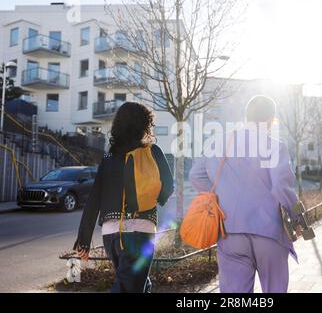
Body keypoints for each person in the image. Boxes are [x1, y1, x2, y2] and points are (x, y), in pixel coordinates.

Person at [189, 95, 299, 293]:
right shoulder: (275, 145)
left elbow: (196, 175)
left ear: (247, 117)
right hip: (269, 232)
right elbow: (282, 188)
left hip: (230, 233)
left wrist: (221, 194)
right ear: (270, 120)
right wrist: (297, 217)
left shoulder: (219, 143)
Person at [73, 102, 174, 293]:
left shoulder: (109, 158)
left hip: (110, 235)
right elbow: (168, 187)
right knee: (129, 287)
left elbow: (94, 199)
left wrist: (84, 240)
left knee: (140, 285)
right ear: (144, 125)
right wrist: (154, 199)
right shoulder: (153, 152)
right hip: (140, 232)